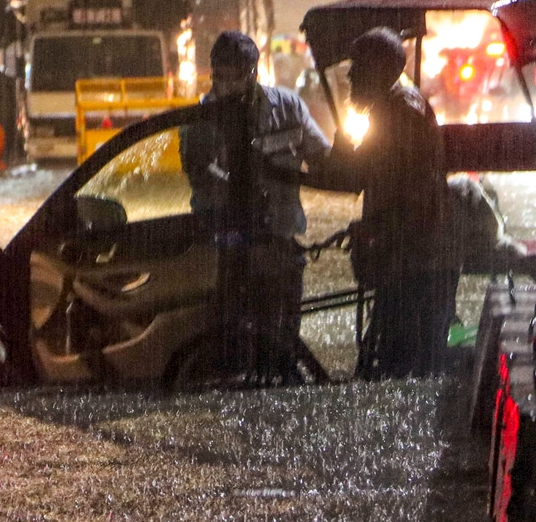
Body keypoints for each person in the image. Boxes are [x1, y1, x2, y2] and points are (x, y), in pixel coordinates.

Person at [181, 31, 330, 384]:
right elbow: (199, 177)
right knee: (228, 348)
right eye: (220, 76)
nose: (227, 85)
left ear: (253, 71)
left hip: (278, 241)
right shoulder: (199, 121)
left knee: (281, 343)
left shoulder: (289, 108)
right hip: (224, 249)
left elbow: (323, 158)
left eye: (236, 75)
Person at [315, 27, 459, 380]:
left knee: (402, 369)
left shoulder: (401, 115)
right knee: (390, 362)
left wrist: (373, 228)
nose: (349, 75)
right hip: (403, 253)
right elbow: (351, 177)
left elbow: (415, 197)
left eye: (357, 67)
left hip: (419, 260)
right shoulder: (386, 112)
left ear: (381, 70)